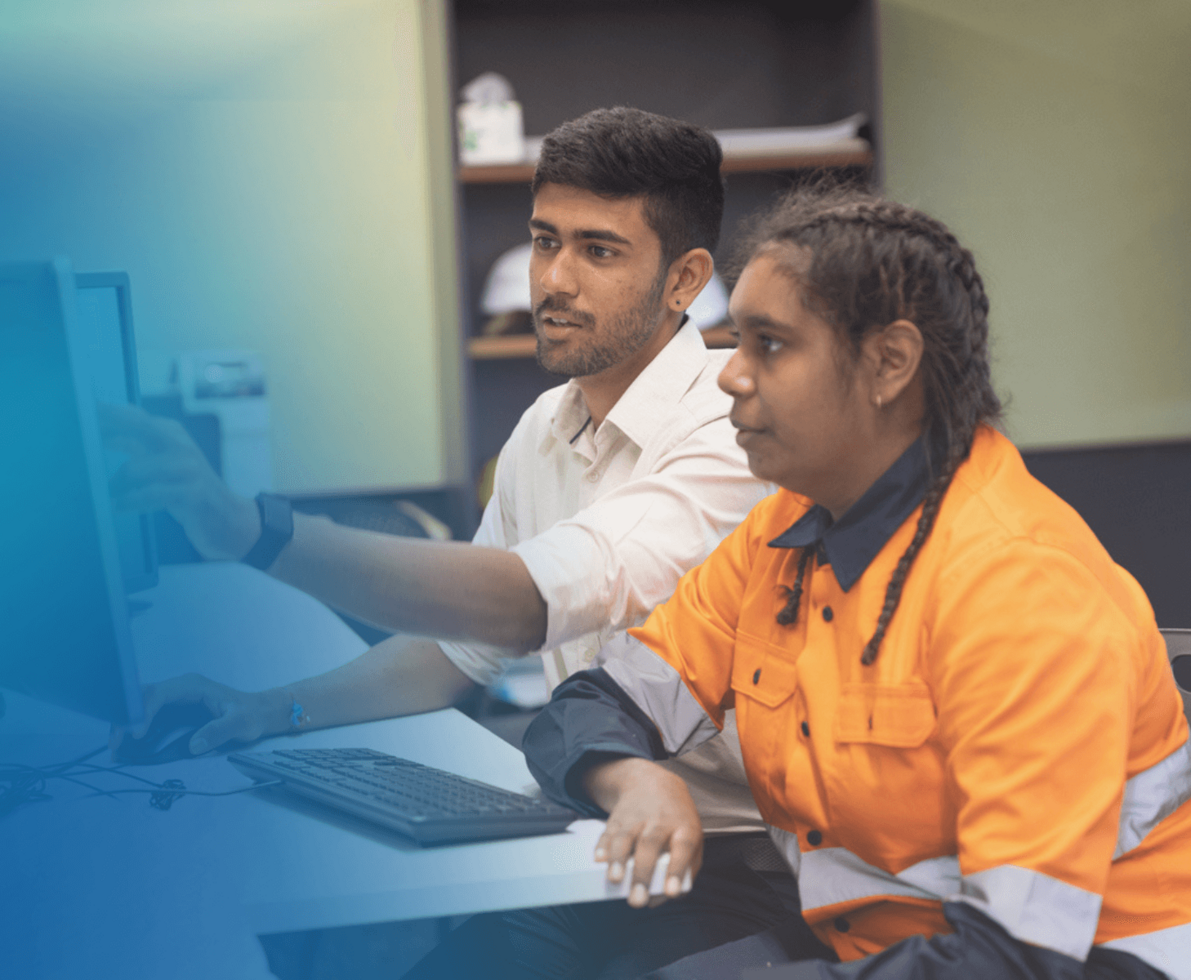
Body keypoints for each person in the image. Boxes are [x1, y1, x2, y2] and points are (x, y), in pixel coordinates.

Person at [110, 108, 810, 977]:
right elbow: (455, 651)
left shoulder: (730, 430)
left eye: (598, 251)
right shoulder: (542, 430)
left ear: (684, 280)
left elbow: (523, 601)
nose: (552, 279)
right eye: (543, 240)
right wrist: (269, 708)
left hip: (734, 872)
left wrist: (251, 531)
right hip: (597, 844)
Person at [523, 184, 1191, 979]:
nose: (729, 377)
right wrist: (633, 778)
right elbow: (595, 704)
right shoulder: (785, 531)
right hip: (872, 938)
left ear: (888, 363)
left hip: (1085, 960)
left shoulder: (1020, 586)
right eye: (734, 341)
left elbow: (1014, 959)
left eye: (767, 345)